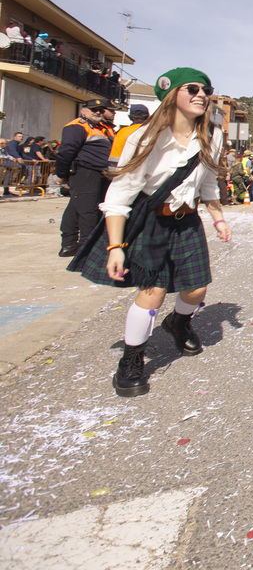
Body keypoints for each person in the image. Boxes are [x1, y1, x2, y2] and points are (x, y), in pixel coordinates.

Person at [67, 69, 231, 397]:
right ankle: (131, 361)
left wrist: (218, 218)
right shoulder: (143, 137)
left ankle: (178, 323)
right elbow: (119, 195)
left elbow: (209, 181)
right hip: (150, 221)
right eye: (194, 88)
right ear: (171, 95)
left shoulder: (212, 135)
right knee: (153, 292)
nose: (203, 94)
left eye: (207, 90)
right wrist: (115, 246)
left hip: (187, 222)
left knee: (196, 290)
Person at [55, 99, 116, 257]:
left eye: (100, 110)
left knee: (75, 208)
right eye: (94, 109)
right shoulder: (78, 126)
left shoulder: (100, 128)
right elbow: (66, 152)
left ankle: (68, 245)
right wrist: (61, 175)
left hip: (98, 173)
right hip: (86, 172)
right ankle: (86, 249)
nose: (98, 112)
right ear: (84, 111)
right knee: (89, 212)